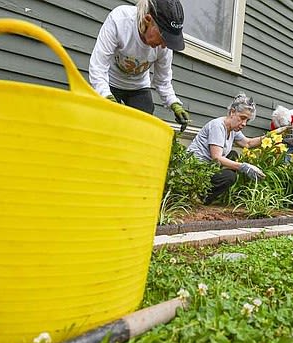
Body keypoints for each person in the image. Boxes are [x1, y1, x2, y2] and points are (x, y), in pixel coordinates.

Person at [89, 0, 190, 129]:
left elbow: (162, 81)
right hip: (110, 82)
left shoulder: (164, 47)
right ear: (148, 20)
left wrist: (174, 103)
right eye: (163, 38)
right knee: (104, 125)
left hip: (138, 87)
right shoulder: (120, 20)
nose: (165, 45)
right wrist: (105, 95)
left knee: (142, 127)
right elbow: (98, 66)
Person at [187, 94, 275, 205]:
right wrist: (244, 167)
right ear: (232, 112)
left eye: (247, 121)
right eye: (242, 118)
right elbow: (216, 158)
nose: (244, 124)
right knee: (229, 176)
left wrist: (273, 135)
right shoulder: (218, 126)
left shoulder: (233, 129)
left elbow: (248, 143)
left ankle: (206, 194)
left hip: (209, 167)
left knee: (233, 154)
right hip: (196, 169)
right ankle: (199, 197)